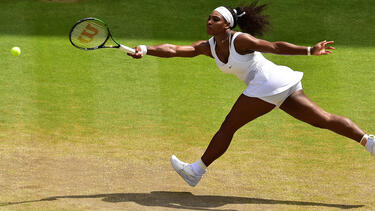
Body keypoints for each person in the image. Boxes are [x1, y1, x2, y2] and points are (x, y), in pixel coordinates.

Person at [128, 1, 375, 187]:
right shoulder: (209, 47)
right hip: (277, 83)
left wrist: (310, 50)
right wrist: (145, 49)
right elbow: (173, 49)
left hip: (267, 82)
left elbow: (275, 46)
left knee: (228, 126)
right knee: (324, 119)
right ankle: (369, 142)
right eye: (208, 18)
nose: (208, 22)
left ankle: (196, 171)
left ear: (227, 24)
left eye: (214, 19)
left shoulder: (240, 40)